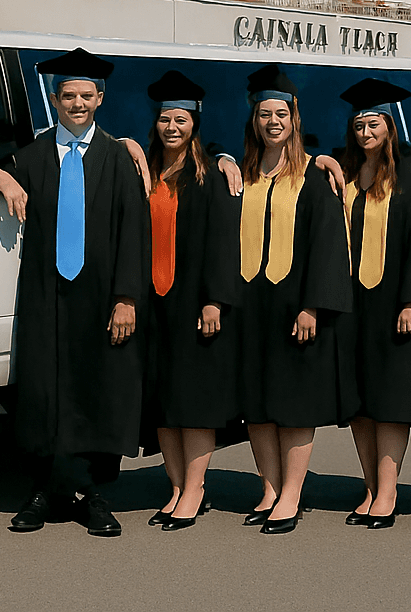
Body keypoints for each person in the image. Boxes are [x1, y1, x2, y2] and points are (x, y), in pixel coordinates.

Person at [0, 48, 150, 538]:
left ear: (100, 98)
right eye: (68, 95)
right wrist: (0, 177)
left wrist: (127, 298)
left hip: (102, 297)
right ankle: (45, 492)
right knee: (45, 391)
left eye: (86, 95)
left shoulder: (119, 159)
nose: (77, 103)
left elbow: (134, 233)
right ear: (54, 99)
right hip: (46, 296)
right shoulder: (32, 156)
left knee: (97, 390)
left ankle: (94, 496)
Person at [234, 64, 352, 534]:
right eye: (265, 114)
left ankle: (291, 494)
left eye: (280, 113)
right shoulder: (241, 172)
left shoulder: (313, 176)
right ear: (255, 119)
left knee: (295, 403)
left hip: (294, 306)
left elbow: (328, 246)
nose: (273, 122)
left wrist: (312, 306)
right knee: (258, 402)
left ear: (293, 118)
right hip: (250, 305)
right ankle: (268, 487)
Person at [141, 71, 242, 531]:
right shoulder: (143, 169)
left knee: (195, 400)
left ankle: (196, 488)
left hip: (194, 301)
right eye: (165, 119)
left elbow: (223, 243)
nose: (172, 127)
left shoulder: (209, 175)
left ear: (195, 123)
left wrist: (214, 301)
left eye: (181, 119)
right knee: (164, 399)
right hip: (153, 302)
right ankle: (178, 485)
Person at [336, 77, 411, 530]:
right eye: (359, 125)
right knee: (360, 396)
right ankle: (370, 485)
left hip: (394, 300)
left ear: (389, 126)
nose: (365, 133)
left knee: (390, 396)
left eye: (373, 123)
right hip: (352, 300)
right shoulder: (343, 171)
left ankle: (389, 489)